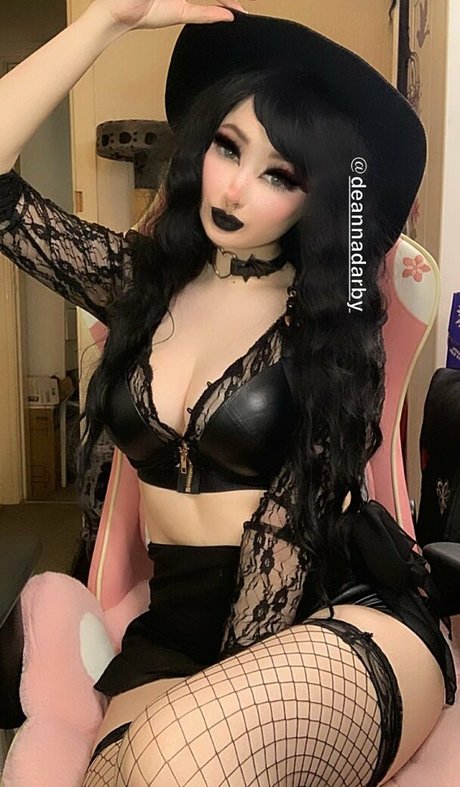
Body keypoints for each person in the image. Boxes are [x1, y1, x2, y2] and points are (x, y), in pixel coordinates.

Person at [0, 2, 455, 785]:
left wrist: (201, 712)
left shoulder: (330, 326)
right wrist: (105, 22)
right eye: (228, 146)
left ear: (315, 196)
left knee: (173, 759)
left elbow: (293, 540)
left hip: (338, 620)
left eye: (279, 174)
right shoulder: (141, 286)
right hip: (174, 633)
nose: (237, 187)